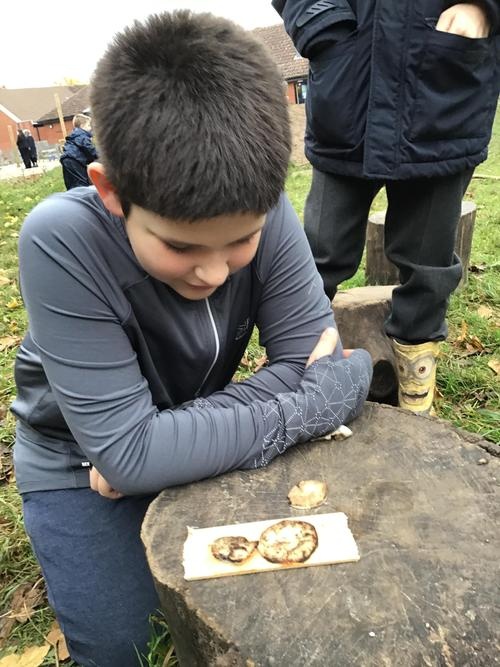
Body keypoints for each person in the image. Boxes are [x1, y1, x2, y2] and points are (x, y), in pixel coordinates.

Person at [11, 12, 373, 667]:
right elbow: (125, 453)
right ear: (110, 191)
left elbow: (309, 354)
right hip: (76, 464)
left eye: (241, 241)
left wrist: (155, 445)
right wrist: (308, 408)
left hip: (171, 434)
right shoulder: (60, 241)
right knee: (131, 649)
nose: (212, 272)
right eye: (180, 246)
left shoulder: (265, 205)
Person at [272, 0, 500, 414]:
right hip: (347, 88)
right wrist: (318, 19)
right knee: (317, 254)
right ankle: (294, 366)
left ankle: (416, 382)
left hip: (444, 88)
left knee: (428, 263)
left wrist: (483, 8)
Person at [59, 113, 98, 189]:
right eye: (88, 125)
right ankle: (84, 194)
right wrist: (101, 155)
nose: (90, 128)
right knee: (81, 183)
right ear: (82, 126)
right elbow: (89, 149)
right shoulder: (82, 135)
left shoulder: (75, 135)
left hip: (67, 159)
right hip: (75, 160)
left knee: (71, 183)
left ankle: (73, 194)